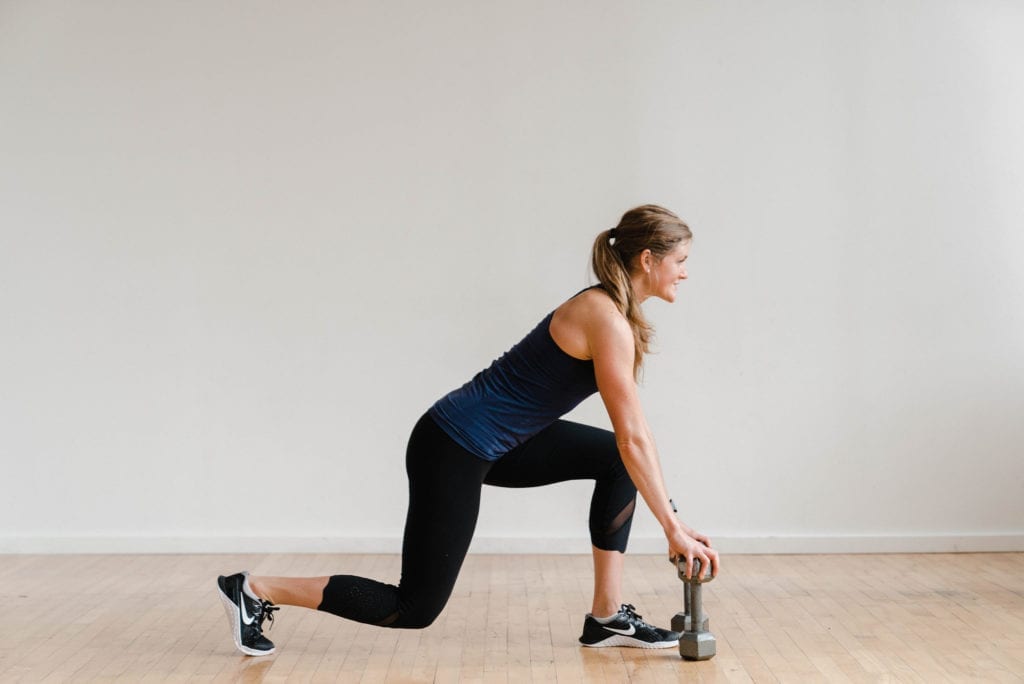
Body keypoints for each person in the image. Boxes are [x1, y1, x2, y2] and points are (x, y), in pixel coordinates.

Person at [217, 204, 720, 656]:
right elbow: (634, 436)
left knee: (613, 459)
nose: (685, 272)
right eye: (680, 261)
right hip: (451, 445)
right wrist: (671, 529)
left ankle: (605, 617)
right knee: (412, 606)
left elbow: (634, 441)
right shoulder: (604, 317)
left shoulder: (615, 315)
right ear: (649, 259)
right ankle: (255, 589)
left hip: (502, 442)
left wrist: (672, 517)